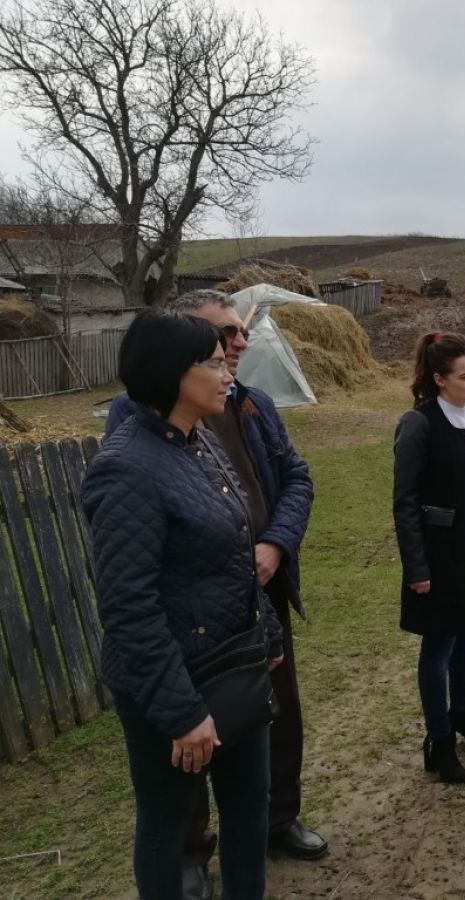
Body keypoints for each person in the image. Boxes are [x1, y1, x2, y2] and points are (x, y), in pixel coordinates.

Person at [107, 290, 324, 898]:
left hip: (238, 650)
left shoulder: (200, 439)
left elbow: (243, 535)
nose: (230, 364)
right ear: (173, 373)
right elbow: (128, 605)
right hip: (181, 671)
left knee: (250, 803)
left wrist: (267, 638)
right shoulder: (127, 465)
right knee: (166, 819)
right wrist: (181, 711)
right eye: (213, 357)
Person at [392, 331, 465, 784]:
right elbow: (405, 502)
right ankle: (438, 741)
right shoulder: (419, 424)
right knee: (438, 647)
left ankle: (462, 714)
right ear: (440, 379)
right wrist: (416, 567)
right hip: (441, 559)